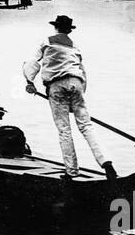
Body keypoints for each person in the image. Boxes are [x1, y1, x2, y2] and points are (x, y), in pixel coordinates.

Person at [24, 15, 118, 185]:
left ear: (56, 27)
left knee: (64, 130)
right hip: (77, 84)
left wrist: (29, 82)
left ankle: (72, 171)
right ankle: (107, 162)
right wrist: (78, 99)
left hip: (56, 86)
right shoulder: (75, 47)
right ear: (69, 30)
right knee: (86, 125)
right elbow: (83, 72)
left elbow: (32, 61)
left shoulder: (47, 41)